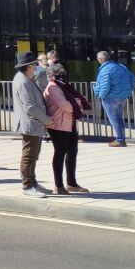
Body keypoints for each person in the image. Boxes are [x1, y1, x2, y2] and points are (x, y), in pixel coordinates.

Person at [44, 63, 90, 194]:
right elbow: (67, 106)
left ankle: (72, 183)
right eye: (60, 74)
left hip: (70, 124)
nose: (63, 76)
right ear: (52, 76)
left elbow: (80, 99)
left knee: (72, 153)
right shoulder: (52, 88)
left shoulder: (64, 87)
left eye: (64, 73)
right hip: (58, 126)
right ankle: (58, 186)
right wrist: (77, 103)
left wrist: (77, 102)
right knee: (60, 153)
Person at [12, 51, 52, 197]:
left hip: (34, 124)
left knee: (33, 155)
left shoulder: (25, 78)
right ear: (28, 66)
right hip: (30, 124)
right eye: (34, 64)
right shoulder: (22, 81)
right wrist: (46, 119)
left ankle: (33, 182)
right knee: (29, 155)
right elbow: (30, 107)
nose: (36, 66)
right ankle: (27, 186)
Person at [94, 50, 135, 148]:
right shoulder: (121, 67)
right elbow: (132, 78)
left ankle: (120, 140)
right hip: (122, 97)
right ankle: (121, 139)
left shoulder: (105, 70)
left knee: (114, 120)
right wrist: (129, 90)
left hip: (110, 98)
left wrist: (100, 95)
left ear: (100, 59)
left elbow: (105, 86)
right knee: (119, 118)